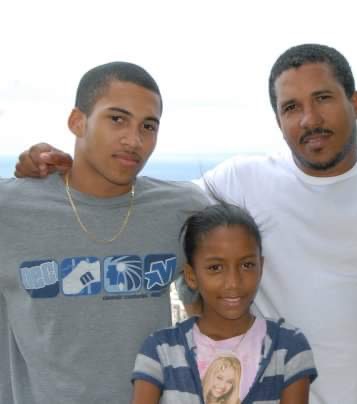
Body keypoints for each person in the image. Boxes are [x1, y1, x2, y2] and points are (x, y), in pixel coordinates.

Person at [13, 44, 357, 404]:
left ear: (356, 103)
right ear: (277, 119)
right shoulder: (242, 182)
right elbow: (146, 205)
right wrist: (47, 174)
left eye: (323, 99)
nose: (309, 119)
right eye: (291, 107)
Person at [0, 62, 208, 403]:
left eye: (148, 126)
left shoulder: (184, 208)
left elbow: (216, 296)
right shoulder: (10, 209)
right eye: (117, 119)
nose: (134, 140)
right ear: (77, 122)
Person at [131, 202, 317, 403]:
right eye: (215, 268)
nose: (233, 282)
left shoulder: (288, 347)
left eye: (247, 265)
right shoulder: (161, 350)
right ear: (191, 276)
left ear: (260, 267)